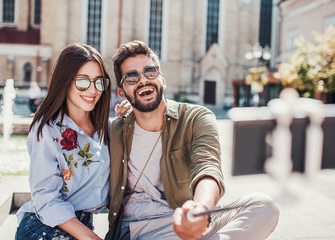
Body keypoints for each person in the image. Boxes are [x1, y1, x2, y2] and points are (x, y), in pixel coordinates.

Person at [107, 40, 280, 240]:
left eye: (150, 71)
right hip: (140, 230)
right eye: (131, 77)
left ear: (162, 80)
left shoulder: (195, 118)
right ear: (122, 93)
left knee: (263, 206)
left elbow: (207, 167)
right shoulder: (115, 131)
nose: (143, 80)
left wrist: (199, 210)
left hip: (188, 221)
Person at [15, 43, 112, 240]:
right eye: (83, 81)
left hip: (80, 227)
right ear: (65, 81)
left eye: (98, 82)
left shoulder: (104, 128)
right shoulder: (47, 129)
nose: (92, 90)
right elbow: (46, 200)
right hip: (43, 226)